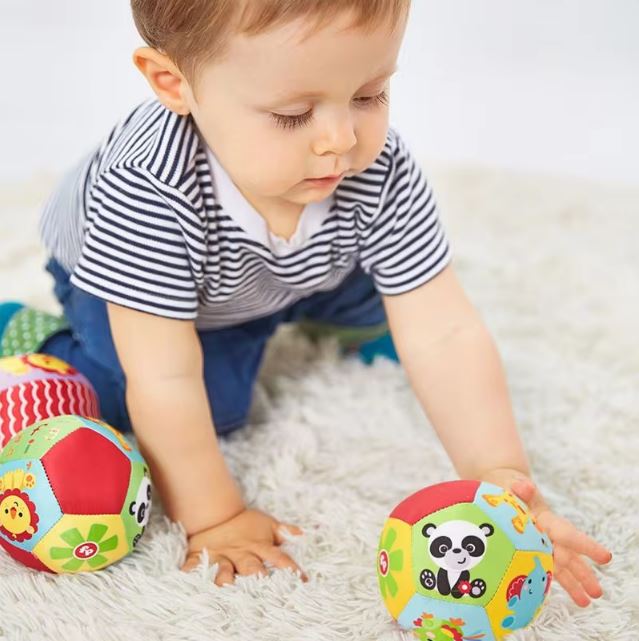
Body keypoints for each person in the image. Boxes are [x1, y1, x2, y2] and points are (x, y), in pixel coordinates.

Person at [0, 0, 611, 603]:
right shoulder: (147, 188)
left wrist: (500, 477)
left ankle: (325, 309)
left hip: (300, 269)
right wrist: (214, 517)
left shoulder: (375, 166)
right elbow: (162, 372)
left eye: (369, 95)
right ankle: (35, 338)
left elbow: (445, 332)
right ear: (173, 83)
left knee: (408, 311)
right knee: (199, 406)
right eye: (293, 114)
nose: (342, 139)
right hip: (151, 292)